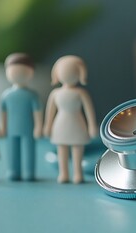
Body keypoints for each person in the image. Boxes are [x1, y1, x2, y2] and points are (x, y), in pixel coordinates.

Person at [43, 55, 97, 184]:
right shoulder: (55, 93)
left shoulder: (81, 93)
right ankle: (64, 173)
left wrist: (92, 126)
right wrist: (47, 125)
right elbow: (50, 112)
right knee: (62, 149)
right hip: (60, 125)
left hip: (77, 124)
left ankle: (78, 173)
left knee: (77, 149)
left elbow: (89, 111)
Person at [1, 53, 43, 181]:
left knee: (29, 150)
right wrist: (3, 128)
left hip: (29, 128)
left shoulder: (32, 95)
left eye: (23, 71)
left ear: (31, 72)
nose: (18, 74)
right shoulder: (6, 95)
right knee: (12, 150)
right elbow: (3, 113)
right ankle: (13, 170)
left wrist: (38, 127)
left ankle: (29, 171)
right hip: (11, 129)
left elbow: (38, 111)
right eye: (14, 71)